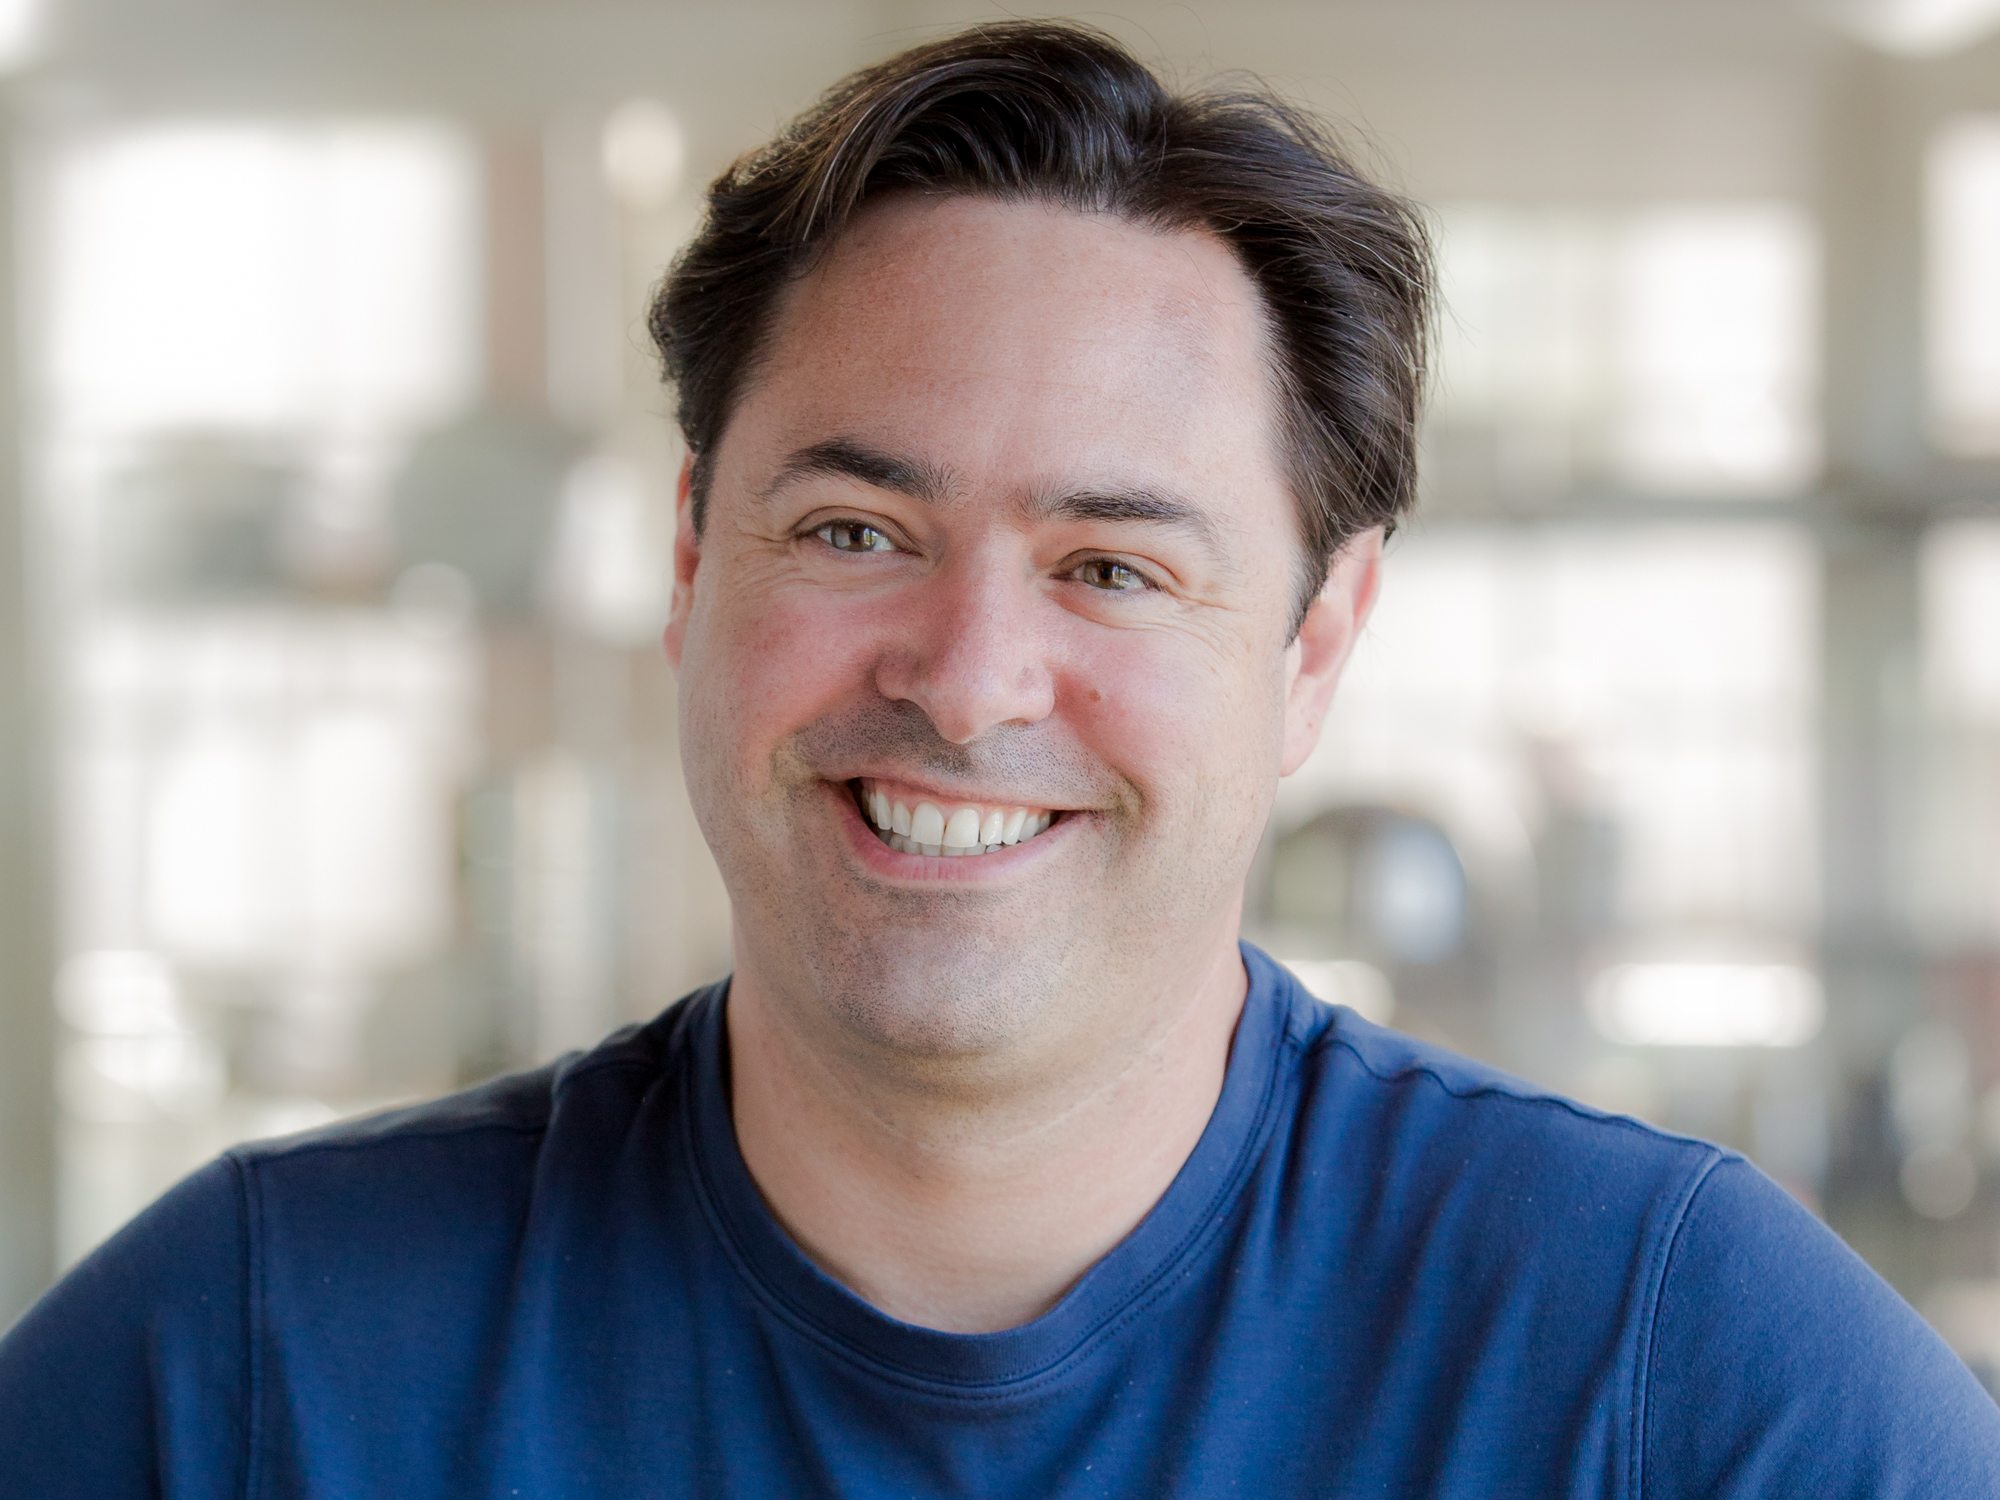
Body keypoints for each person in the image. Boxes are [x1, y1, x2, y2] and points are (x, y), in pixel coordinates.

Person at [3, 20, 1997, 1497]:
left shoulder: (1680, 1373)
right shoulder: (246, 1369)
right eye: (854, 531)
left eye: (1111, 567)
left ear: (1314, 644)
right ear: (692, 564)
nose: (966, 686)